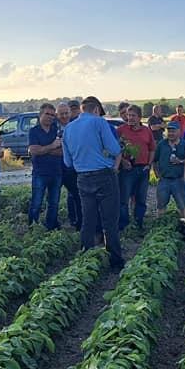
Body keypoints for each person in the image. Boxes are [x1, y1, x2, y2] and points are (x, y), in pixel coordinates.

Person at [62, 96, 124, 268]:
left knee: (88, 219)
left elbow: (67, 162)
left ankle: (86, 258)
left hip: (82, 177)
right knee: (109, 221)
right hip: (104, 175)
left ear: (82, 110)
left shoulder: (68, 128)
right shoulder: (99, 123)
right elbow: (114, 149)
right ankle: (115, 261)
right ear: (96, 109)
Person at [116, 105, 156, 230]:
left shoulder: (146, 131)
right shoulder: (121, 130)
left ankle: (138, 223)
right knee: (124, 200)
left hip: (143, 169)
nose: (130, 118)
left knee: (141, 199)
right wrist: (122, 161)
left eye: (133, 115)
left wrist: (149, 165)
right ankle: (124, 225)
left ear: (140, 117)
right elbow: (114, 150)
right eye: (128, 115)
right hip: (127, 169)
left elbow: (152, 149)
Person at [28, 103, 63, 230]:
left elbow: (62, 152)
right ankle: (33, 228)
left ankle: (51, 227)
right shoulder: (34, 131)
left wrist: (43, 149)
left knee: (54, 203)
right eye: (47, 114)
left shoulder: (56, 130)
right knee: (36, 203)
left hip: (56, 172)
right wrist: (52, 146)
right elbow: (34, 151)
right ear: (40, 115)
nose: (50, 117)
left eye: (52, 115)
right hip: (40, 173)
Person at [153, 121, 185, 218]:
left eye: (173, 131)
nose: (171, 133)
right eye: (169, 131)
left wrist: (180, 161)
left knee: (182, 205)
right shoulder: (162, 144)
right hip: (164, 180)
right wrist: (156, 172)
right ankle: (161, 225)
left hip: (179, 180)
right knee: (161, 205)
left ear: (179, 132)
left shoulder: (184, 144)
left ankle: (184, 226)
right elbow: (155, 160)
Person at [56, 101, 82, 229]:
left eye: (66, 113)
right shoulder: (52, 127)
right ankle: (53, 225)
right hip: (56, 167)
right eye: (62, 114)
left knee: (77, 195)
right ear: (57, 114)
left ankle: (78, 222)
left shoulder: (76, 126)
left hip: (72, 168)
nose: (64, 116)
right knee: (54, 198)